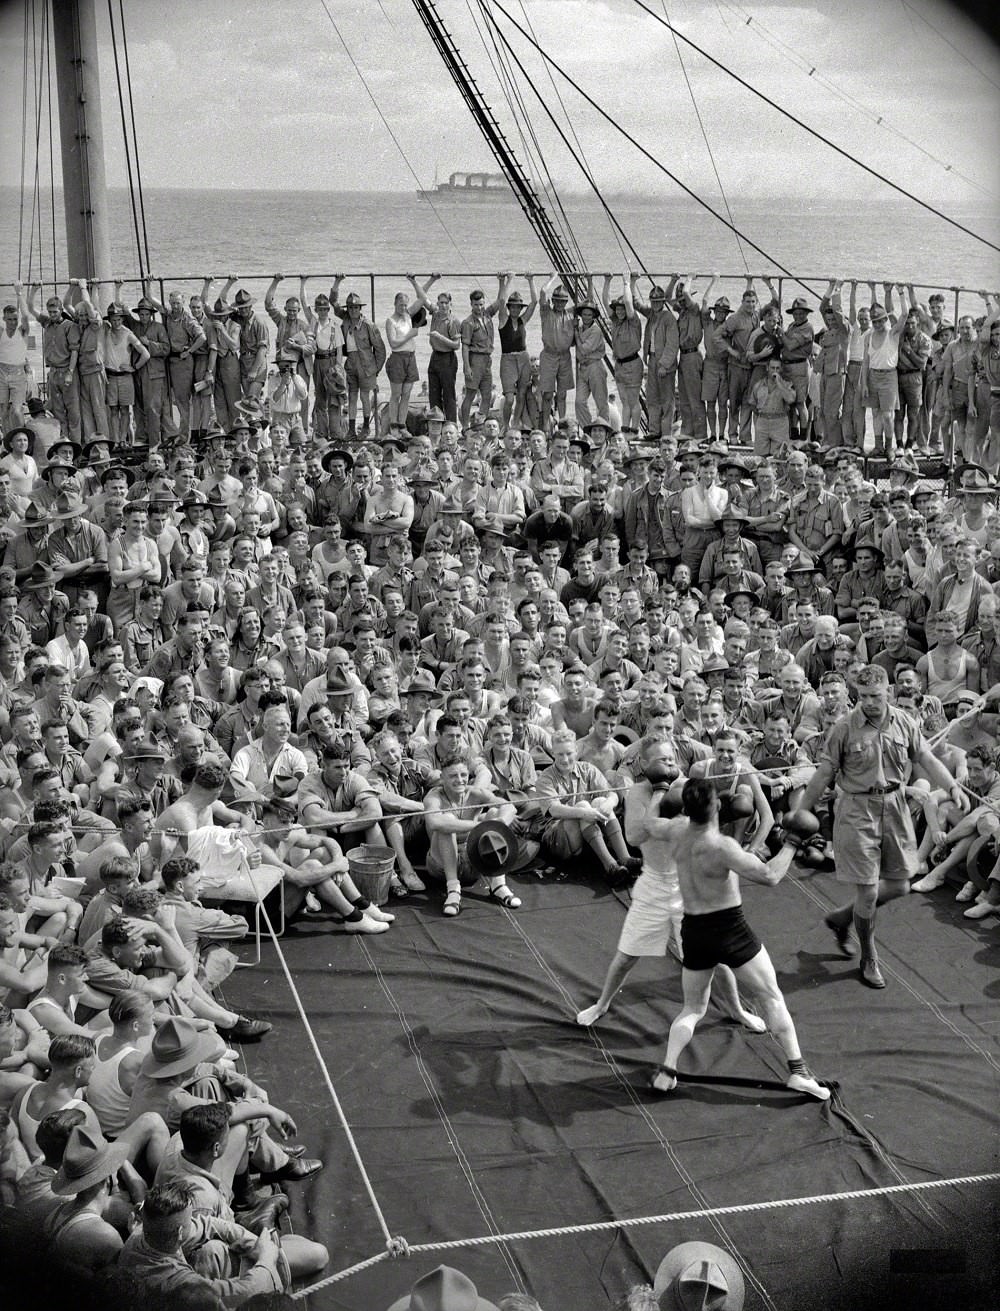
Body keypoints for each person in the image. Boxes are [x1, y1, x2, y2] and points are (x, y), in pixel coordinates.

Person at [648, 778, 829, 1100]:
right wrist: (791, 843)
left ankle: (667, 1070)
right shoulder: (723, 847)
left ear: (686, 809)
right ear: (717, 806)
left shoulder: (674, 830)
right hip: (729, 929)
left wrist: (660, 789)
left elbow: (649, 823)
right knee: (771, 997)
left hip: (694, 930)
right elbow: (771, 876)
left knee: (692, 1008)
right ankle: (799, 1073)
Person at [575, 739, 766, 1031]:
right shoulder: (638, 792)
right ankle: (601, 1005)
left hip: (687, 885)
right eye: (661, 759)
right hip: (653, 884)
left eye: (671, 757)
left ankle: (737, 1010)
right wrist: (659, 793)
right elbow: (634, 837)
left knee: (715, 956)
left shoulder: (691, 788)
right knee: (626, 956)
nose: (669, 762)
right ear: (644, 765)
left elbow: (709, 825)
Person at [795, 664, 964, 988]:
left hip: (896, 806)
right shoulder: (844, 728)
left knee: (900, 885)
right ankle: (869, 956)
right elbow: (823, 775)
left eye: (875, 695)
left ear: (888, 692)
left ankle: (842, 918)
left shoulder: (904, 722)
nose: (870, 702)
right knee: (869, 892)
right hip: (857, 809)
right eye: (863, 696)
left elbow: (926, 758)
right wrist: (800, 814)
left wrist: (953, 786)